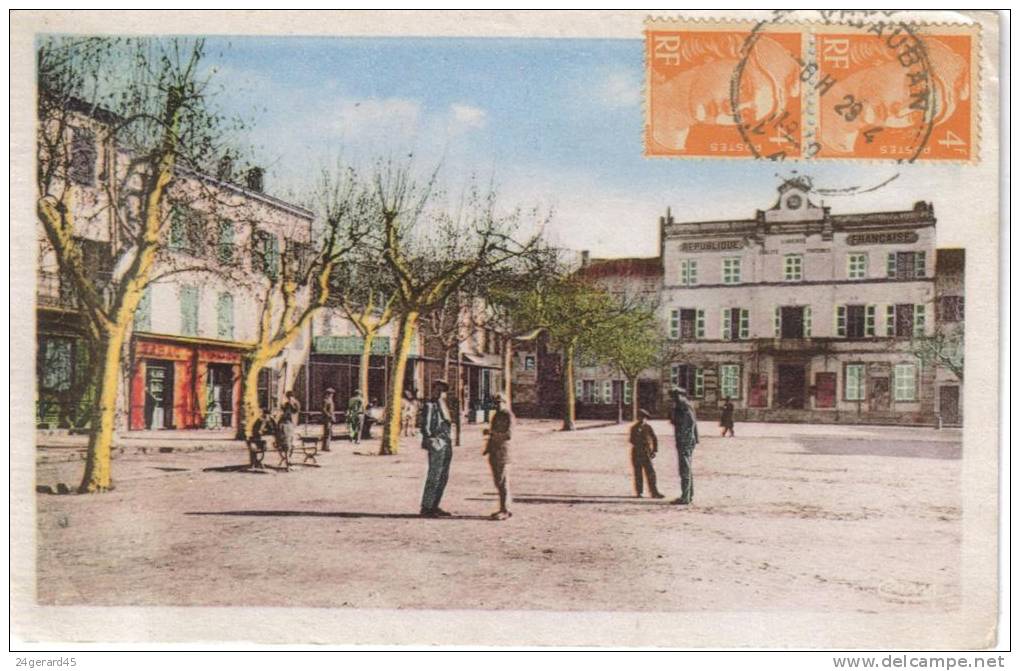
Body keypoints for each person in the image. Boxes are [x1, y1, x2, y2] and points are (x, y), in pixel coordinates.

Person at [419, 380, 454, 517]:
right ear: (433, 389)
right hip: (437, 442)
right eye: (438, 390)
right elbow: (425, 427)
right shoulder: (429, 405)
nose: (440, 393)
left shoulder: (443, 405)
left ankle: (435, 505)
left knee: (443, 476)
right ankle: (426, 506)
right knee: (434, 475)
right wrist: (432, 440)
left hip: (446, 442)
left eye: (443, 391)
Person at [482, 393, 513, 520]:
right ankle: (503, 508)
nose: (497, 405)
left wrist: (492, 433)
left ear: (504, 402)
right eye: (495, 403)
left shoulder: (507, 415)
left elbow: (508, 435)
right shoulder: (496, 415)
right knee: (498, 481)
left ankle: (505, 509)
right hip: (494, 451)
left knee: (502, 481)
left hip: (502, 452)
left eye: (499, 402)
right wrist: (487, 449)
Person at [669, 386, 699, 505]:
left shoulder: (684, 406)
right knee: (686, 468)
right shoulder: (683, 406)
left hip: (685, 441)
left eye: (675, 396)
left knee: (684, 468)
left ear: (680, 395)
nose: (673, 399)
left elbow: (688, 424)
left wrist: (685, 438)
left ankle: (685, 497)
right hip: (686, 440)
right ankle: (688, 495)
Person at [629, 409, 664, 499]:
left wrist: (654, 450)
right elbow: (631, 440)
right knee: (638, 473)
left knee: (650, 472)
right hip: (636, 452)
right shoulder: (634, 428)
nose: (642, 419)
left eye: (644, 418)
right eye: (640, 417)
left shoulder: (648, 427)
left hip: (646, 452)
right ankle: (639, 492)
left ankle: (654, 492)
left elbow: (654, 438)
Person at [278, 390, 301, 470]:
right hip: (285, 423)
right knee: (285, 441)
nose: (288, 398)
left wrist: (292, 403)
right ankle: (287, 458)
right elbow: (284, 411)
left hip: (291, 424)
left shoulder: (296, 403)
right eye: (287, 397)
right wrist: (282, 406)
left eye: (289, 397)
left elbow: (296, 411)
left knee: (290, 442)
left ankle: (289, 458)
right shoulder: (287, 403)